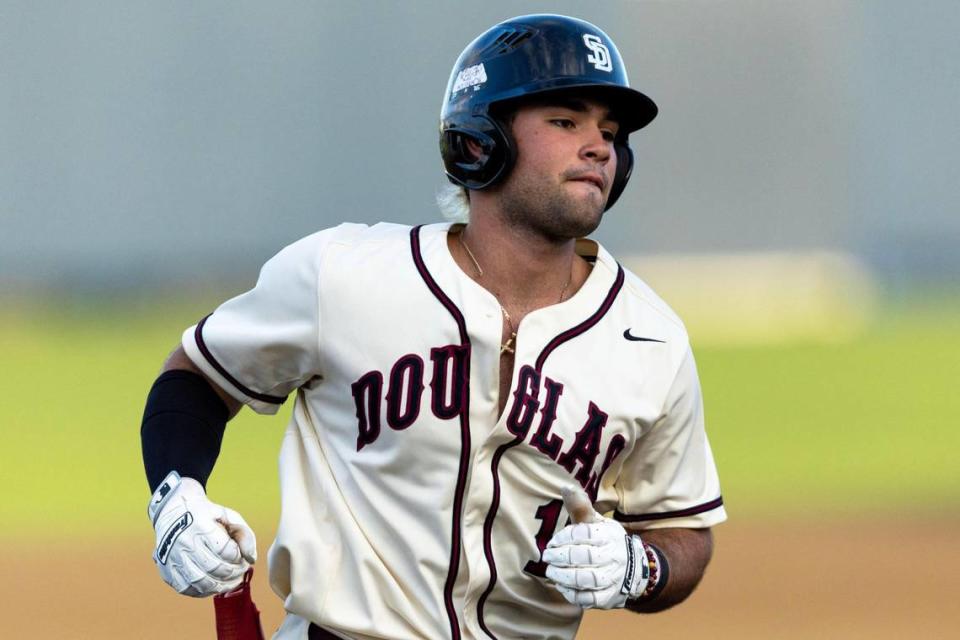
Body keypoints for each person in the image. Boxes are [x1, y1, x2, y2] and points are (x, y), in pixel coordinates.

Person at [141, 14, 726, 640]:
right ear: (480, 141)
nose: (599, 146)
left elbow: (682, 525)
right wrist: (177, 496)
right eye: (565, 121)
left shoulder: (651, 338)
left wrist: (643, 568)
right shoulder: (344, 275)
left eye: (611, 132)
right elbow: (199, 375)